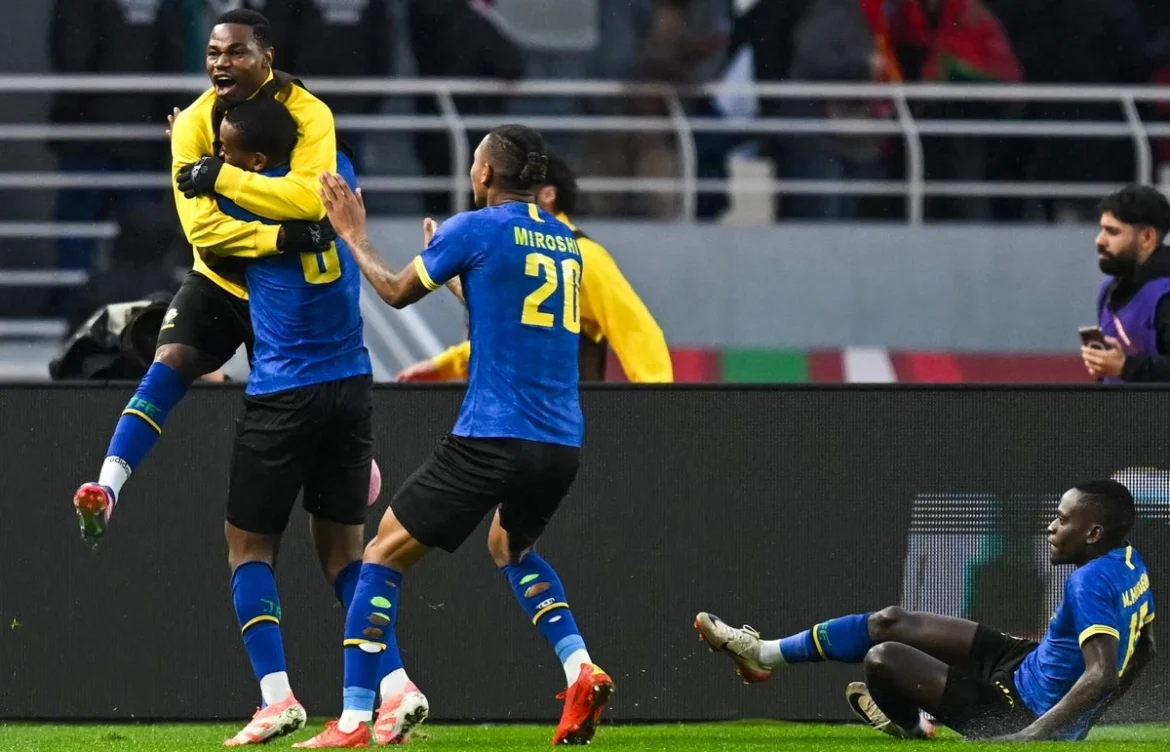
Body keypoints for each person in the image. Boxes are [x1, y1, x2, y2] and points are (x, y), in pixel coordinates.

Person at [295, 124, 614, 748]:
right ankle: (580, 668)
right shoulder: (565, 244)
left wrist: (352, 234)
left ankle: (354, 720)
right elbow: (508, 316)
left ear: (486, 174)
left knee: (380, 556)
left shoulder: (474, 228)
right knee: (510, 547)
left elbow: (394, 292)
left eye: (474, 162)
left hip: (492, 434)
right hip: (560, 443)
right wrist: (460, 278)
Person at [71, 9, 341, 539]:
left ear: (266, 57)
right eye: (214, 53)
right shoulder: (194, 122)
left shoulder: (310, 114)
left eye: (237, 52)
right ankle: (107, 488)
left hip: (283, 288)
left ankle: (351, 466)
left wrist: (219, 176)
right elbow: (204, 231)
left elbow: (311, 202)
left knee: (302, 407)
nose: (222, 63)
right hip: (218, 278)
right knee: (169, 361)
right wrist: (281, 236)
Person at [695, 480, 1156, 742]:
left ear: (1093, 534)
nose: (1052, 527)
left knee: (883, 659)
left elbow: (1102, 675)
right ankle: (763, 654)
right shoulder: (1130, 563)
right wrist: (1084, 720)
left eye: (1062, 519)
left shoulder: (1089, 580)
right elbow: (1146, 648)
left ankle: (914, 728)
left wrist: (1034, 735)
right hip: (1024, 664)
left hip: (1016, 710)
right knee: (889, 622)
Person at [205, 95, 385, 746]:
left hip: (284, 390)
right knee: (346, 555)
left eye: (229, 151)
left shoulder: (240, 198)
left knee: (248, 548)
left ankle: (276, 697)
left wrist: (197, 165)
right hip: (351, 382)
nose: (220, 158)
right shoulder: (337, 172)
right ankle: (388, 692)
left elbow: (207, 241)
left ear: (255, 161)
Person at [396, 150, 673, 384]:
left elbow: (639, 332)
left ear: (548, 195)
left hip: (566, 422)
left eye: (520, 187)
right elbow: (515, 338)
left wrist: (661, 410)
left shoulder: (586, 256)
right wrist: (445, 366)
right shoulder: (516, 250)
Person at [1082, 185, 1170, 383]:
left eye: (1112, 232)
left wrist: (1125, 367)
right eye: (1102, 229)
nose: (1099, 240)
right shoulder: (1108, 289)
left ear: (1147, 237)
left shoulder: (1165, 294)